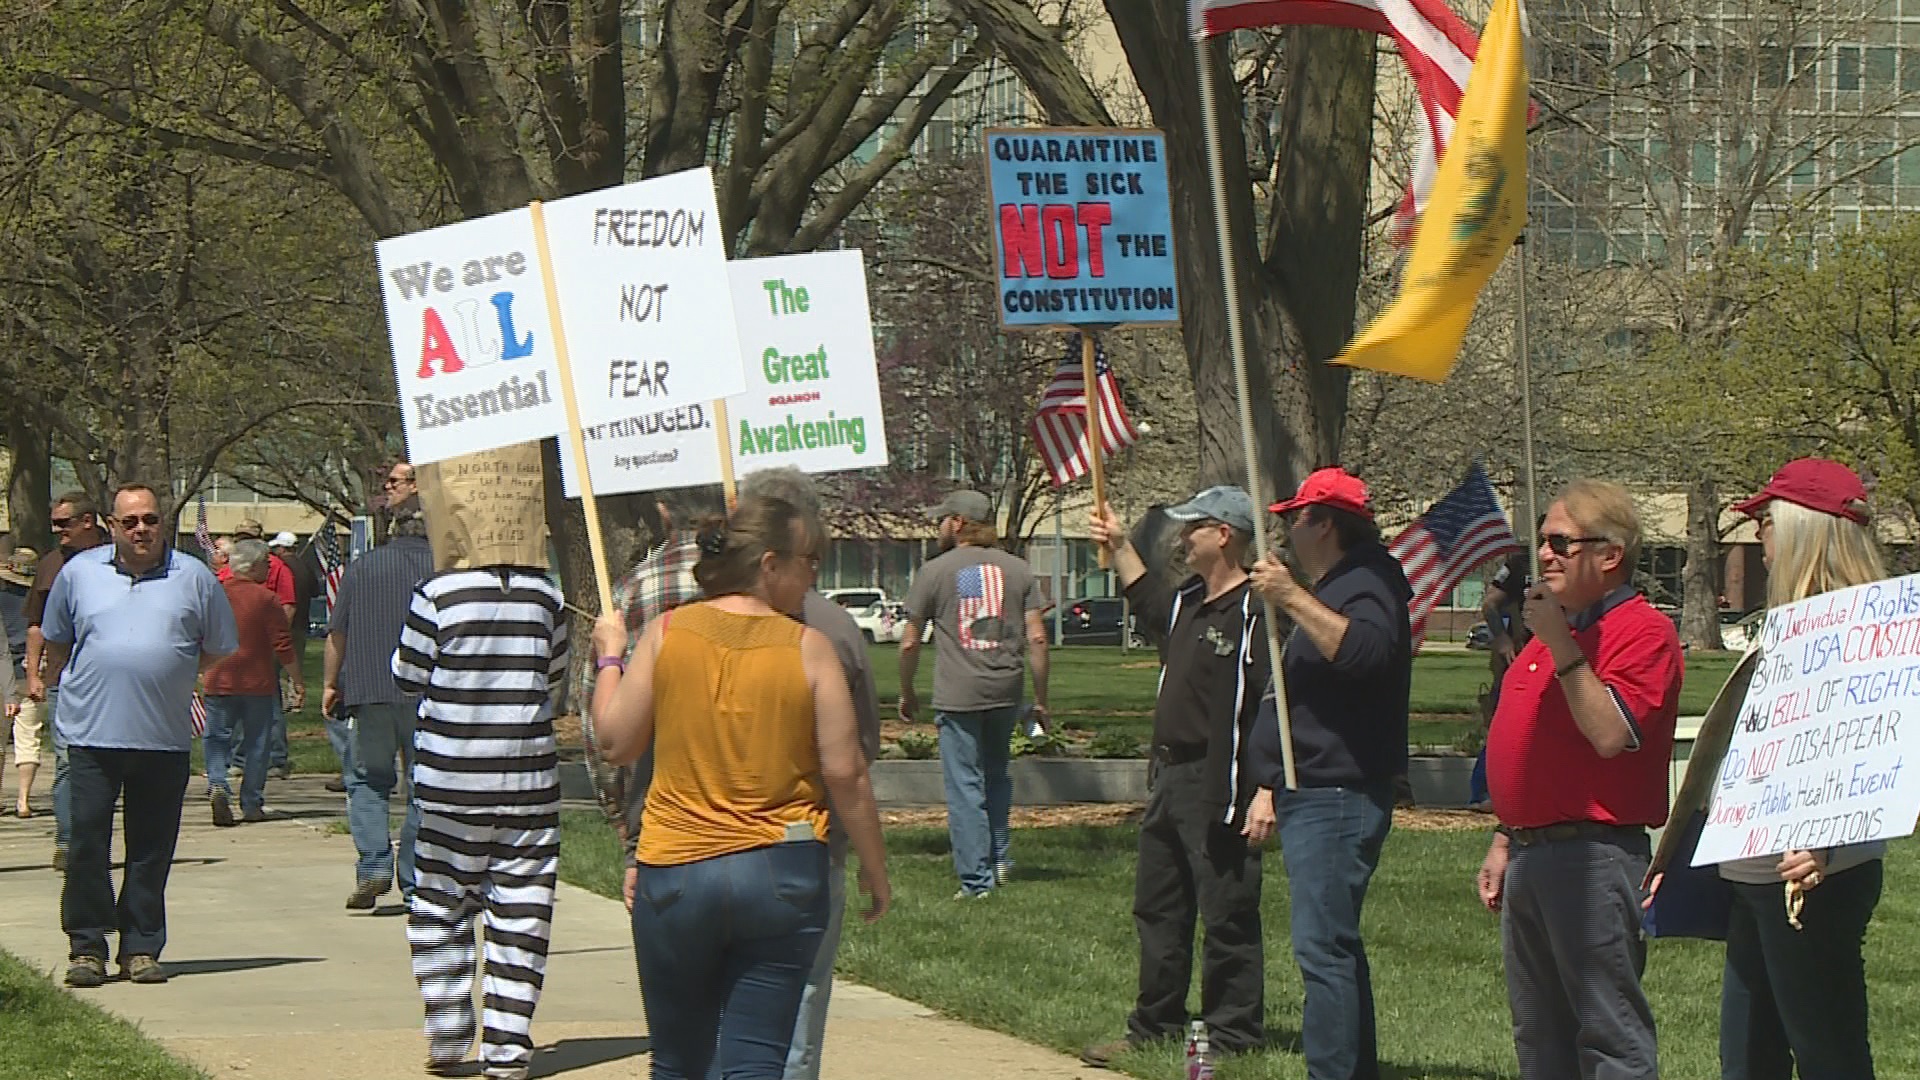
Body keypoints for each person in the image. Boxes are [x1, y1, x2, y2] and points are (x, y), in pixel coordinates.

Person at [589, 494, 890, 1080]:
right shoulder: (810, 650)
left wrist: (610, 658)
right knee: (758, 1059)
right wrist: (874, 867)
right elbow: (846, 773)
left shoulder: (667, 632)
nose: (814, 576)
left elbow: (615, 741)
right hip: (782, 871)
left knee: (677, 1060)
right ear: (770, 564)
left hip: (677, 869)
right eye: (810, 560)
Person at [1477, 478, 1682, 1080]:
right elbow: (1531, 751)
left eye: (1560, 543)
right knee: (1539, 1036)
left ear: (1610, 554)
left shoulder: (1642, 633)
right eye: (1541, 541)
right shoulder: (1552, 633)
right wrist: (1502, 838)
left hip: (1593, 857)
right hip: (1531, 857)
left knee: (1607, 1031)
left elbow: (1611, 735)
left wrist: (1564, 646)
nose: (1543, 555)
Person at [1081, 486, 1271, 1065]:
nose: (1183, 538)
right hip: (1168, 776)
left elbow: (1273, 707)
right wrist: (1117, 546)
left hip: (1220, 781)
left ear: (1225, 536)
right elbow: (1147, 599)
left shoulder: (1256, 611)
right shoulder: (1190, 600)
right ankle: (1153, 1025)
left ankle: (1233, 1035)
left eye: (1194, 528)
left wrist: (1266, 788)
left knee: (1226, 909)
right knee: (1159, 907)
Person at [1714, 458, 1886, 1079]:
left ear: (1804, 528)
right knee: (1747, 1060)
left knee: (1829, 1057)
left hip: (1815, 882)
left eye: (1765, 520)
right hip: (1756, 875)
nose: (1757, 536)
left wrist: (1828, 846)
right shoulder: (1784, 627)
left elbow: (1883, 757)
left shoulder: (1870, 635)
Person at [1247, 468, 1413, 1080]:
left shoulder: (1368, 582)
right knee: (1333, 943)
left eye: (1295, 518)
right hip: (1311, 788)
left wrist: (1291, 597)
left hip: (1339, 793)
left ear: (1324, 521)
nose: (1288, 530)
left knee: (1323, 947)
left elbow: (1368, 654)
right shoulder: (1343, 582)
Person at [43, 483, 238, 987]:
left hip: (162, 738)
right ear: (111, 525)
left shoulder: (194, 577)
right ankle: (87, 947)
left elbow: (217, 648)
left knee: (151, 848)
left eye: (150, 519)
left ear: (163, 522)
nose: (141, 529)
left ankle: (141, 948)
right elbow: (59, 644)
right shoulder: (79, 574)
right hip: (90, 736)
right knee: (86, 842)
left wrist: (170, 675)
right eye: (129, 521)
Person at [393, 552, 569, 1080]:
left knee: (440, 903)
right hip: (529, 783)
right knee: (523, 913)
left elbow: (405, 675)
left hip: (452, 782)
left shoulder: (438, 593)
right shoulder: (547, 595)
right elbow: (553, 674)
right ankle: (508, 1048)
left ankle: (448, 1033)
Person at [898, 489, 1048, 899]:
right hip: (1006, 688)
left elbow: (910, 642)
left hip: (959, 694)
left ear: (958, 523)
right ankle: (998, 857)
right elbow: (1037, 637)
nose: (939, 526)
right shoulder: (1019, 571)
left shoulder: (934, 571)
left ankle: (976, 880)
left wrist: (907, 689)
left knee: (964, 784)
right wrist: (1041, 698)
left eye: (942, 519)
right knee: (996, 777)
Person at [325, 504, 433, 909]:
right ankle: (415, 877)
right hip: (429, 694)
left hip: (369, 690)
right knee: (426, 787)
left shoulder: (363, 567)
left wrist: (331, 683)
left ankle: (373, 865)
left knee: (368, 781)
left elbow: (338, 632)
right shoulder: (448, 570)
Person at [25, 490, 112, 870]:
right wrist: (33, 673)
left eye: (63, 524)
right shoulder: (50, 565)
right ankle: (67, 840)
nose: (56, 530)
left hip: (111, 678)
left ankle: (94, 842)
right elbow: (35, 626)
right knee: (66, 760)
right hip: (65, 678)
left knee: (111, 762)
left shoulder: (119, 559)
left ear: (87, 522)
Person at [202, 539, 303, 826]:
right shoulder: (266, 599)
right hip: (257, 681)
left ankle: (218, 781)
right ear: (254, 566)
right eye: (266, 564)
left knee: (217, 737)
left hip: (218, 676)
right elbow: (282, 643)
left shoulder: (214, 594)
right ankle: (251, 802)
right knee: (258, 743)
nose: (270, 568)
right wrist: (297, 680)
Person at [1, 547, 41, 817]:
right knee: (29, 736)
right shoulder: (38, 602)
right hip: (30, 671)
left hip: (3, 671)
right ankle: (23, 800)